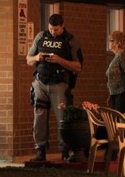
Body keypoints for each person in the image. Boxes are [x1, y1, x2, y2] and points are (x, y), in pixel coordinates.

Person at [26, 14, 83, 162]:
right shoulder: (41, 36)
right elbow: (28, 59)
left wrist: (59, 60)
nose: (53, 32)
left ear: (62, 26)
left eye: (56, 30)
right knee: (39, 117)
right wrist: (37, 58)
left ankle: (65, 151)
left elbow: (78, 66)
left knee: (62, 119)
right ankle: (40, 150)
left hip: (59, 83)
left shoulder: (70, 40)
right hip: (40, 82)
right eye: (51, 29)